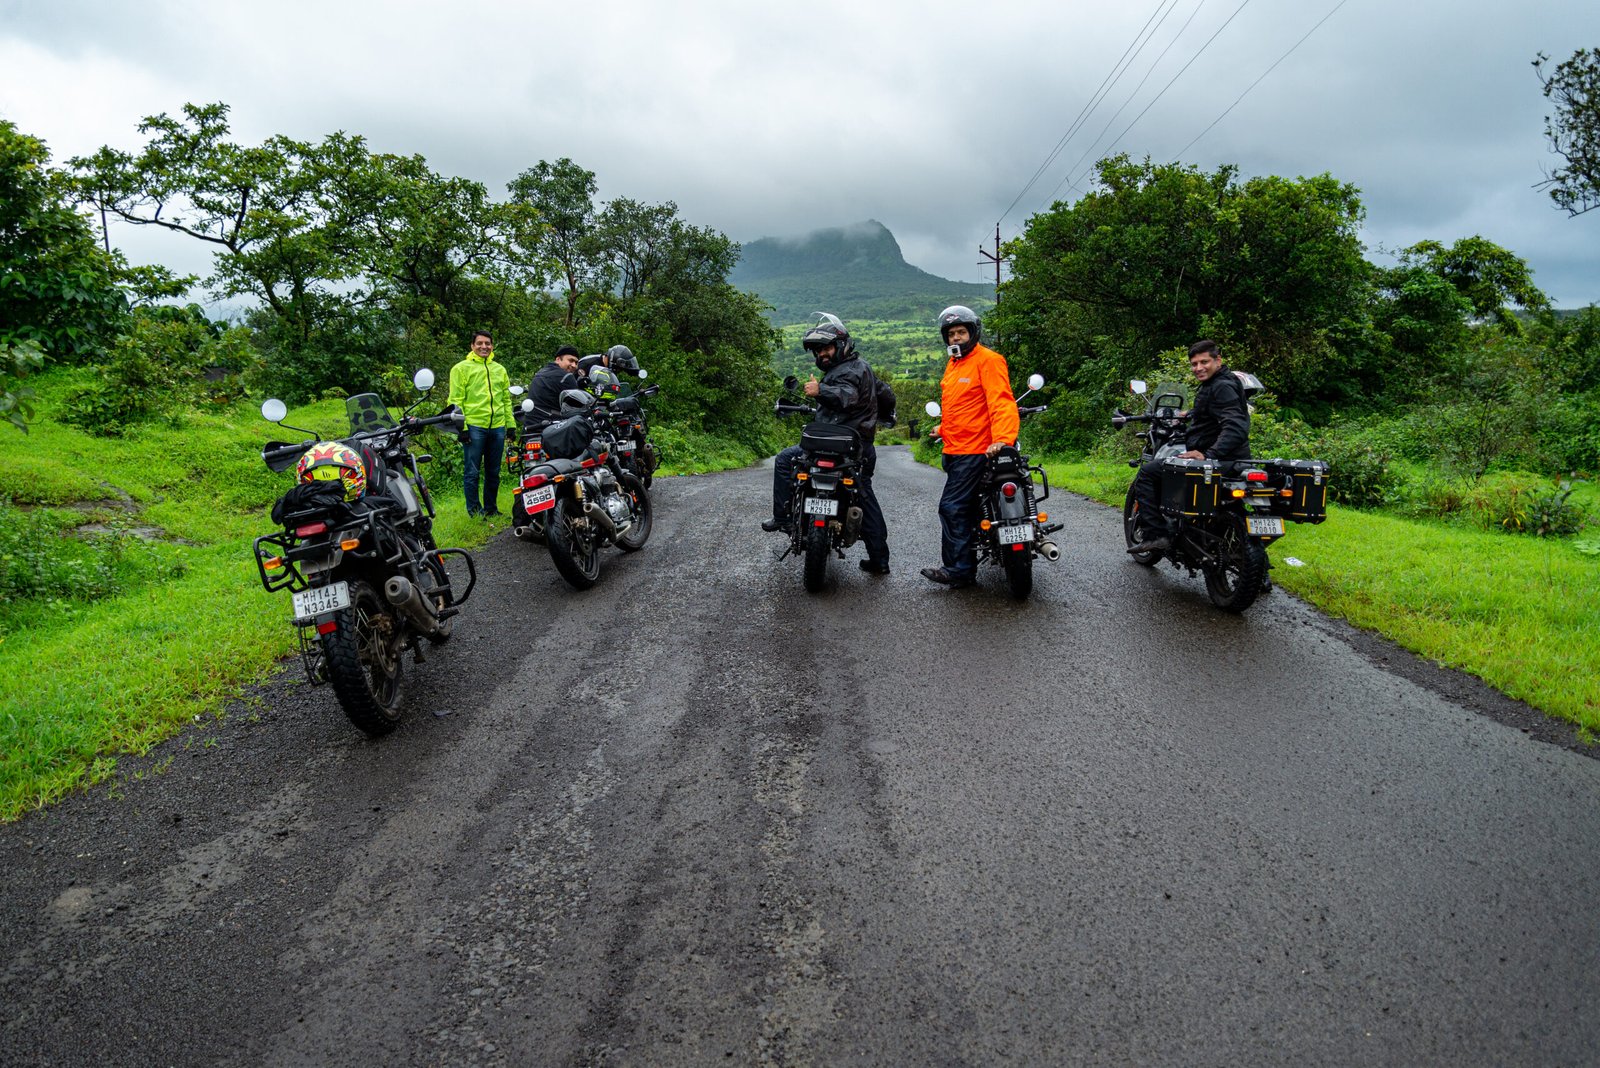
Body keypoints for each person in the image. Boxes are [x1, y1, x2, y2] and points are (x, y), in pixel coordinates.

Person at [763, 314, 895, 575]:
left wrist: (820, 391)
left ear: (842, 345)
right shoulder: (861, 368)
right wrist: (884, 415)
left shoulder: (847, 371)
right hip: (856, 446)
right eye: (818, 350)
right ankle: (879, 559)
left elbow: (848, 396)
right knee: (864, 496)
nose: (822, 354)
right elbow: (886, 394)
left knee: (784, 460)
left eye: (827, 348)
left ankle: (782, 518)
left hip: (848, 447)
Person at [921, 305, 1018, 589]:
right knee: (971, 510)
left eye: (961, 332)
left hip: (975, 451)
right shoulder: (954, 365)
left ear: (973, 333)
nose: (956, 338)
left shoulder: (988, 360)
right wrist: (942, 428)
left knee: (952, 507)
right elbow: (963, 408)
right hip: (955, 449)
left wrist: (1002, 439)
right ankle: (970, 559)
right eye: (951, 334)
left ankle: (958, 570)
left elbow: (1001, 402)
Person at [1128, 338, 1252, 554]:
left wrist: (1208, 454)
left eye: (1204, 362)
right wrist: (1189, 414)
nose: (1198, 368)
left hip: (1220, 460)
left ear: (1218, 360)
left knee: (1147, 473)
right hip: (1235, 459)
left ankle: (1157, 535)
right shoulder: (1221, 382)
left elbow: (1235, 426)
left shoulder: (1221, 386)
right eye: (1194, 364)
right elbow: (1215, 411)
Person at [445, 330, 515, 517]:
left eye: (488, 343)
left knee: (494, 472)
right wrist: (461, 428)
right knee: (472, 472)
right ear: (472, 346)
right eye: (480, 343)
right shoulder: (460, 369)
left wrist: (511, 425)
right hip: (474, 426)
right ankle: (475, 512)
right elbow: (455, 401)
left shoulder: (499, 369)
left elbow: (506, 400)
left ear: (492, 346)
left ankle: (491, 509)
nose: (484, 347)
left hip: (497, 426)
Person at [526, 345, 582, 424]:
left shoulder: (541, 372)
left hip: (530, 425)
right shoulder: (566, 377)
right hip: (550, 426)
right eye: (571, 360)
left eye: (576, 363)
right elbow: (578, 406)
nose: (574, 365)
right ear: (558, 359)